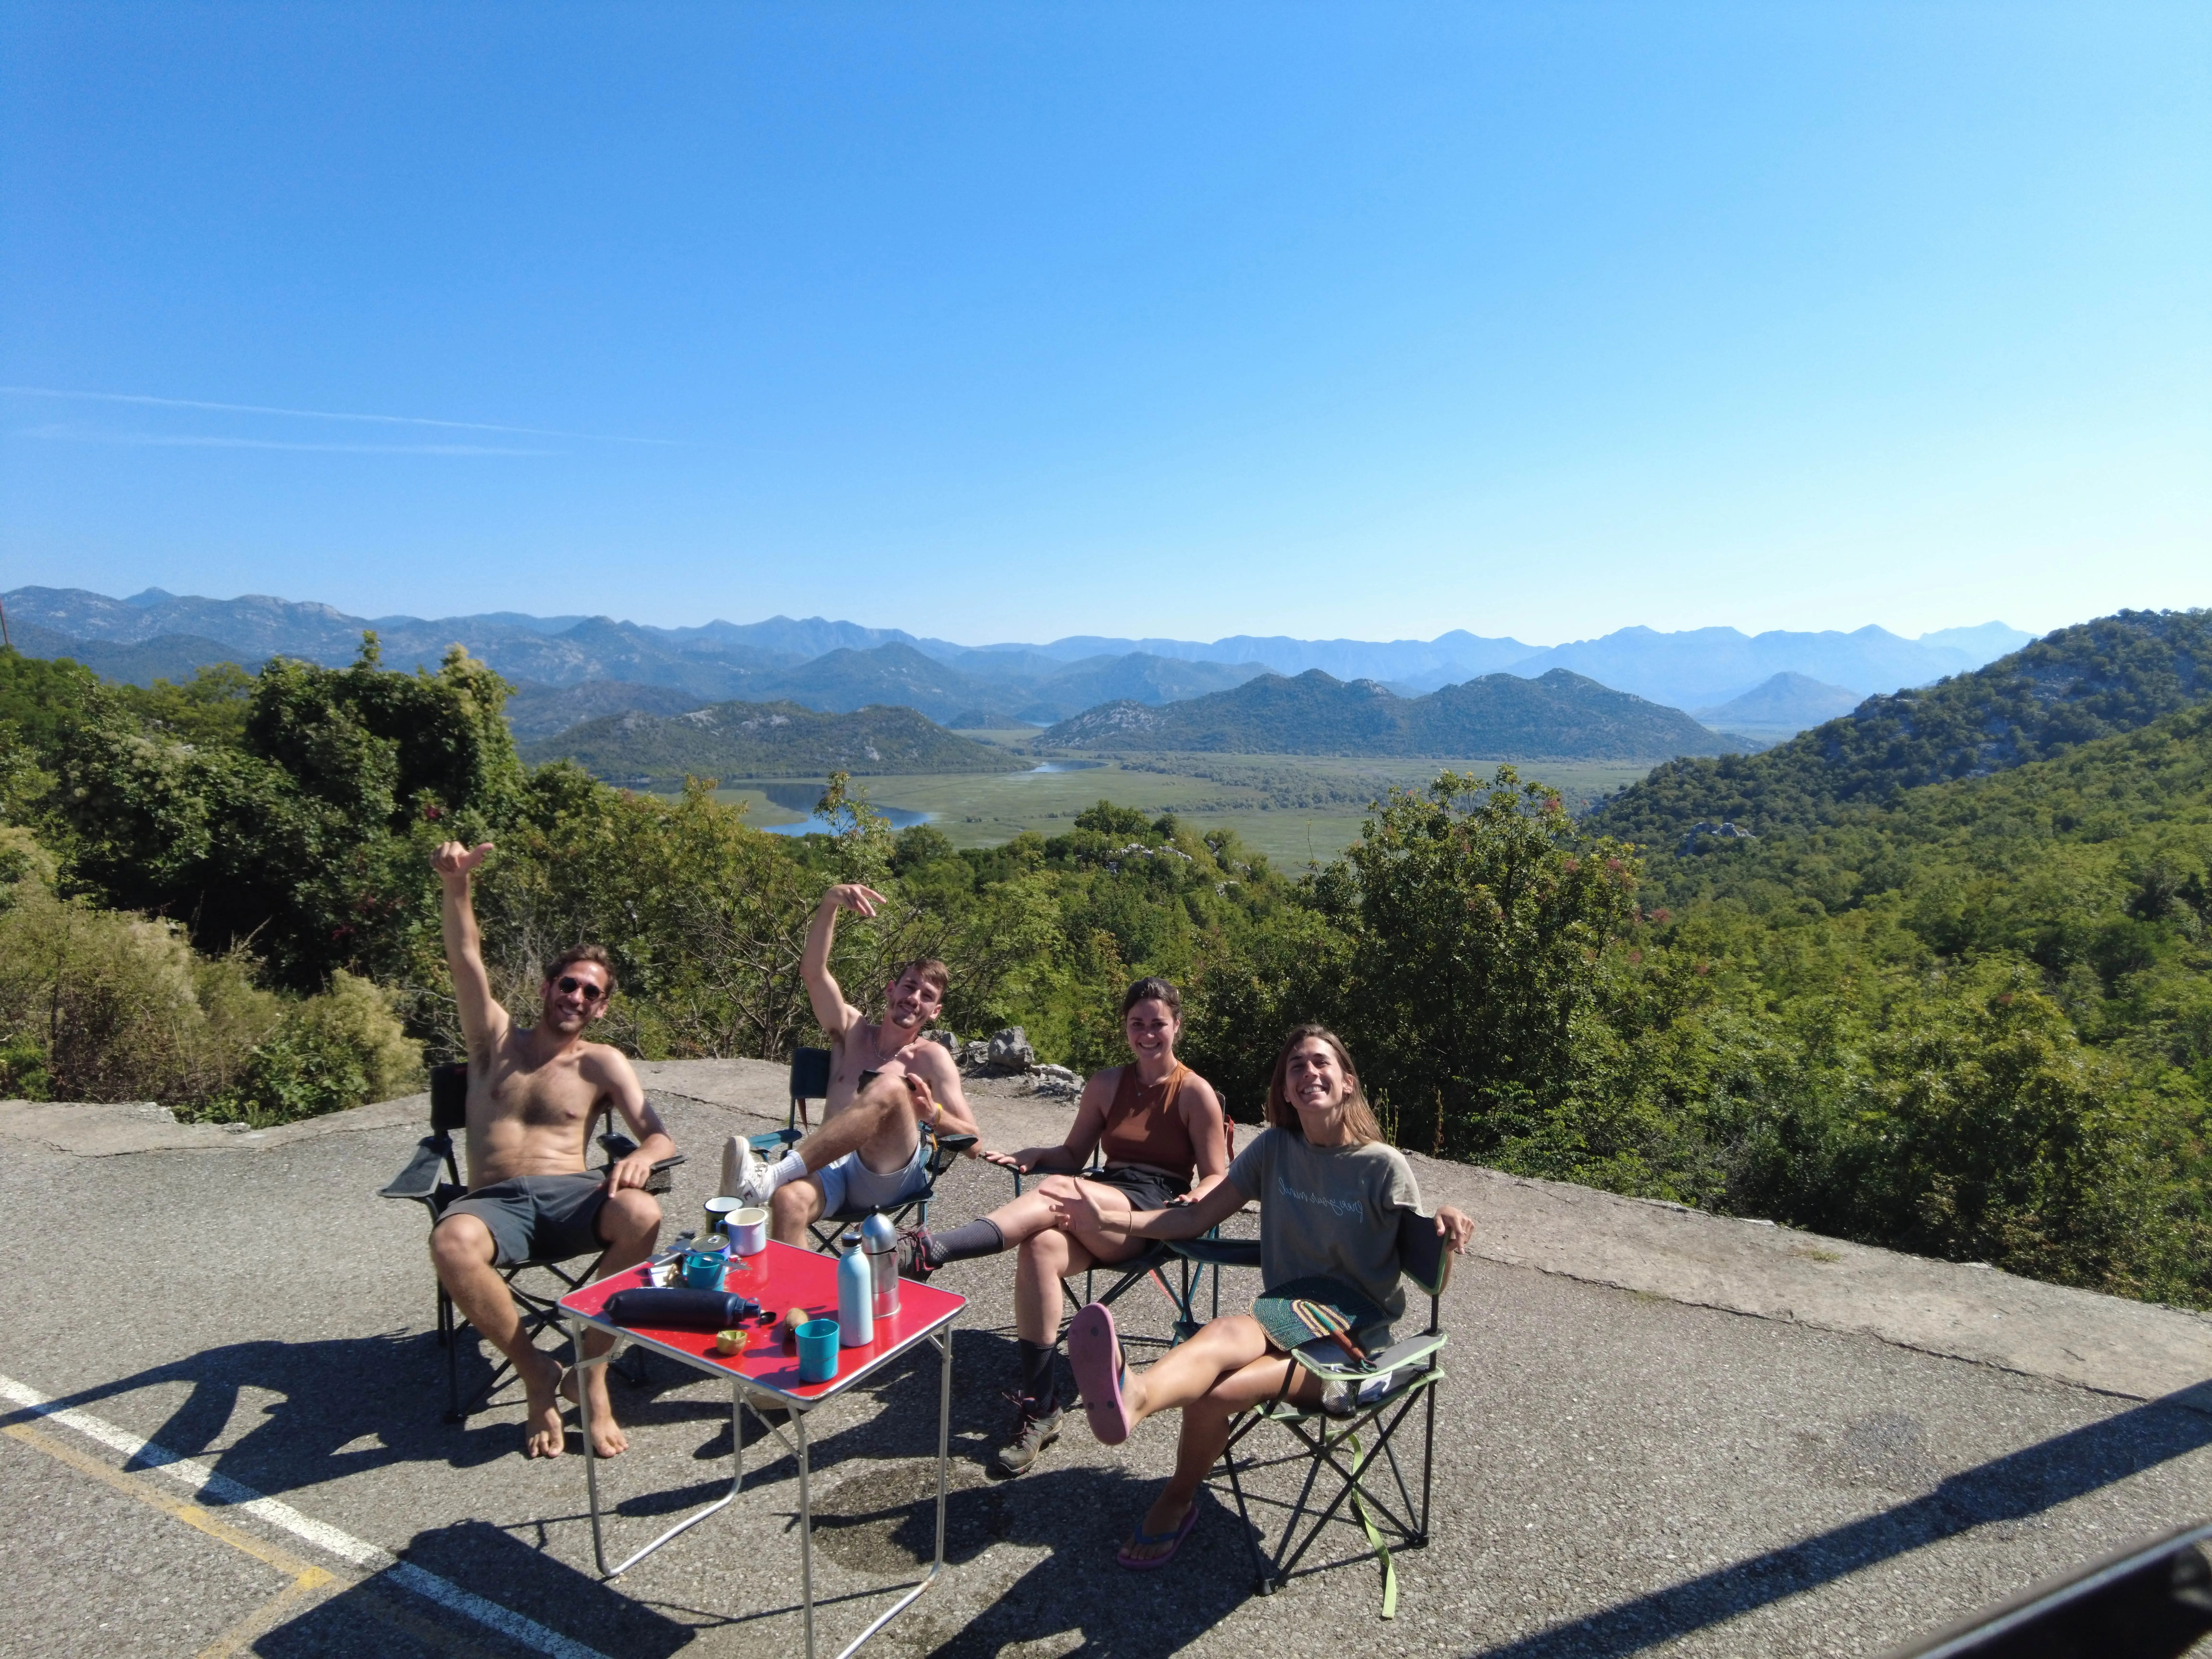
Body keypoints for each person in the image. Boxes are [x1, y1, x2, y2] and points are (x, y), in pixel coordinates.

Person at [1048, 1023, 1475, 1569]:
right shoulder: (1275, 1148)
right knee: (1222, 1330)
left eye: (1321, 1063)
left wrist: (1444, 1222)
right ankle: (1131, 1397)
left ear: (1347, 1083)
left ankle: (1178, 1499)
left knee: (1220, 1393)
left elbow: (1430, 1266)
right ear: (1285, 1090)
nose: (1308, 1073)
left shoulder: (1381, 1166)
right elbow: (1198, 1214)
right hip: (1286, 1316)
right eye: (1296, 1067)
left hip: (1350, 1352)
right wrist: (1108, 1215)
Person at [896, 977, 1230, 1476]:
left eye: (1157, 1024)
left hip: (1150, 1216)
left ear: (1176, 1026)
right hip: (1099, 1197)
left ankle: (932, 1248)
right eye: (1137, 1024)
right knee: (1041, 1247)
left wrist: (1200, 1195)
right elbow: (1074, 1156)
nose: (1147, 1034)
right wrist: (1037, 1156)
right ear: (1126, 1028)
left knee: (1055, 1196)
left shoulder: (1195, 1094)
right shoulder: (1106, 1085)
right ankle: (1041, 1404)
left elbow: (1218, 1176)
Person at [426, 841, 676, 1461]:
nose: (578, 999)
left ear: (603, 1007)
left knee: (644, 1214)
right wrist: (457, 886)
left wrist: (645, 1155)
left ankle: (591, 1373)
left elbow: (657, 1131)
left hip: (571, 1199)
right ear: (547, 987)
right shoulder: (493, 1041)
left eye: (593, 994)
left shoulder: (602, 1063)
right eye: (570, 985)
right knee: (449, 1242)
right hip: (493, 1205)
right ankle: (537, 1370)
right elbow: (465, 958)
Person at [725, 882, 978, 1243]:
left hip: (885, 1174)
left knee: (890, 1086)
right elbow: (814, 974)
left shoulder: (931, 1058)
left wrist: (932, 1114)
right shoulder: (851, 1032)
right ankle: (793, 1300)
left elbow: (974, 1145)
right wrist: (829, 902)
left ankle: (772, 1175)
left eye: (927, 996)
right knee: (788, 1201)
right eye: (909, 987)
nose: (914, 999)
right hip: (829, 1169)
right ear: (891, 990)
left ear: (935, 1012)